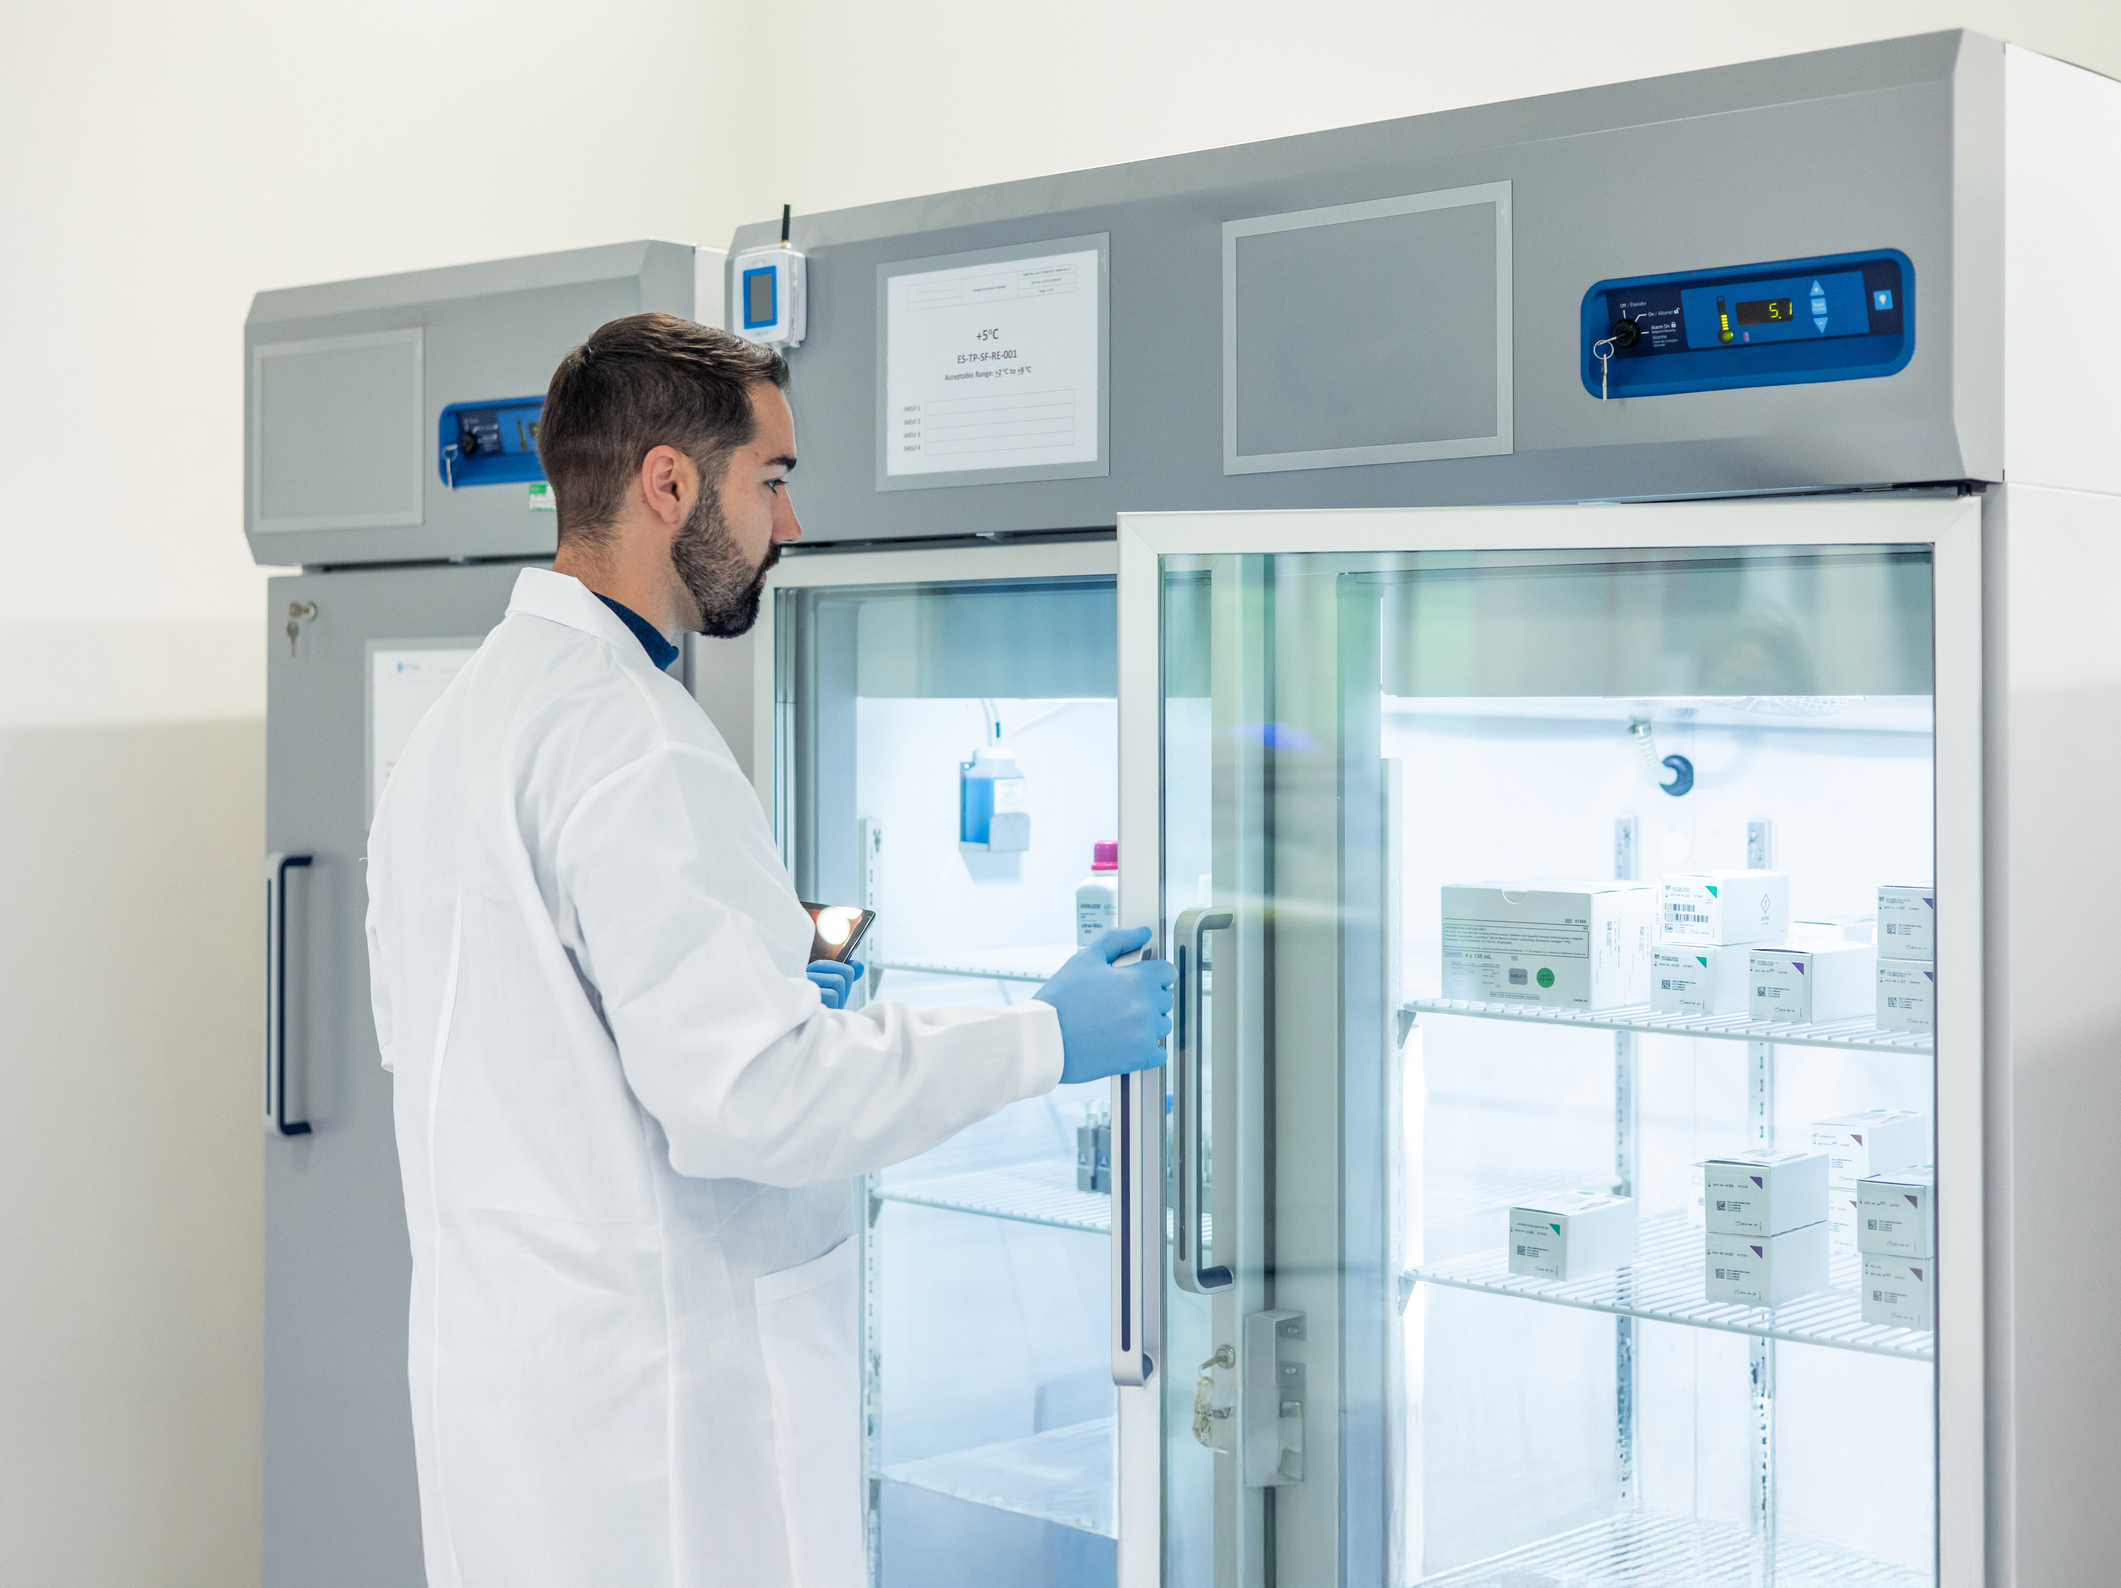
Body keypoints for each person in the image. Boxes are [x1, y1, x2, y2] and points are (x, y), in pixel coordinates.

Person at [363, 312, 1173, 1588]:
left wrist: (760, 982)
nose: (790, 524)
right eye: (773, 479)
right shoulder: (633, 736)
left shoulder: (463, 725)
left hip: (520, 1415)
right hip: (663, 1445)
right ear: (668, 483)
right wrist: (1046, 1037)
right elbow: (756, 1101)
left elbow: (514, 1046)